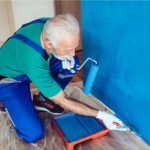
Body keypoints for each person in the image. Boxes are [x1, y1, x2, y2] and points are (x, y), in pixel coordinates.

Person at [0, 13, 127, 143]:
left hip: (25, 64)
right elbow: (63, 100)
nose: (72, 53)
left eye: (74, 47)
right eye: (67, 50)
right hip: (9, 81)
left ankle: (43, 99)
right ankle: (6, 102)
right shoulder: (33, 59)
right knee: (33, 134)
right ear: (49, 44)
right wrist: (101, 115)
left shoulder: (51, 26)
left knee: (71, 64)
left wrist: (64, 55)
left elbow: (57, 54)